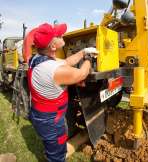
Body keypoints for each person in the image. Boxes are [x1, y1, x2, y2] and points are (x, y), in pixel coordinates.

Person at [28, 22, 98, 162]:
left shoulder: (38, 59)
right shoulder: (53, 70)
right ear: (53, 46)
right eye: (59, 35)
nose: (63, 35)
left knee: (51, 145)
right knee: (57, 155)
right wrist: (89, 59)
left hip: (41, 114)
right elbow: (82, 73)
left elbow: (65, 61)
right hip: (51, 121)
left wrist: (84, 51)